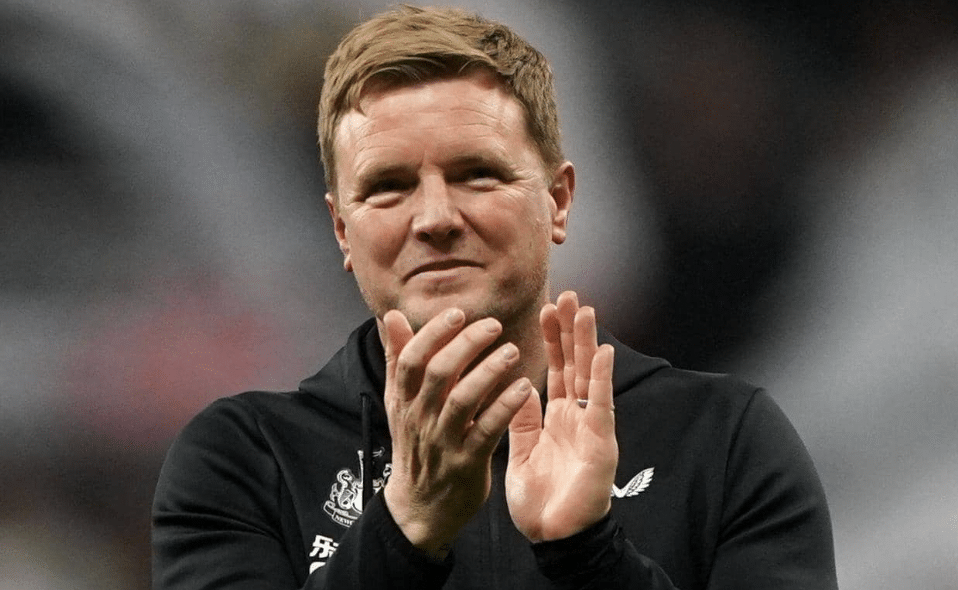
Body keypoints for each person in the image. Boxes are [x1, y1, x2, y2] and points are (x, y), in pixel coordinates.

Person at [151, 6, 838, 589]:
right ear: (342, 226)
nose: (436, 218)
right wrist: (404, 530)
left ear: (558, 200)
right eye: (390, 187)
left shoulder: (724, 442)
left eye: (477, 175)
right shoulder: (244, 456)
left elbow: (604, 271)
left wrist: (587, 553)